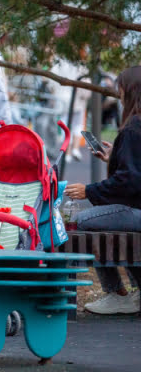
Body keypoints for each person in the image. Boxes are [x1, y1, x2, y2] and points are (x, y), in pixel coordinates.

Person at [64, 66, 141, 315]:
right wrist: (114, 157)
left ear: (129, 92)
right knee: (105, 218)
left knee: (83, 220)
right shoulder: (135, 130)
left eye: (120, 89)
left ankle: (115, 292)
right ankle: (134, 290)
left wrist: (89, 191)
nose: (117, 95)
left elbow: (128, 182)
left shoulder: (132, 130)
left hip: (136, 209)